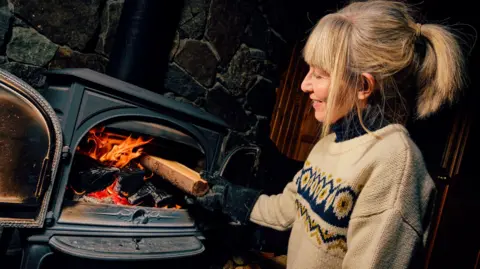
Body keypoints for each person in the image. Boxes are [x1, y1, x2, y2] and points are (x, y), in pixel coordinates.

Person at [195, 0, 467, 268]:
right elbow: (287, 209)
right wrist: (228, 196)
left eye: (320, 74)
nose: (304, 85)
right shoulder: (328, 144)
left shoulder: (395, 164)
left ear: (362, 85)